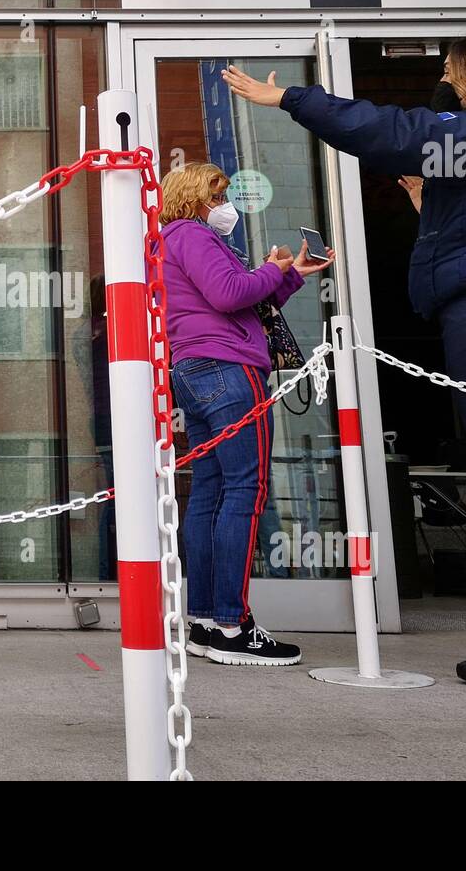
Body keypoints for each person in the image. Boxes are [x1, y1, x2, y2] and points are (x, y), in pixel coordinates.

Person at [223, 31, 466, 690]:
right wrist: (431, 207)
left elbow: (389, 130)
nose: (444, 82)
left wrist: (287, 96)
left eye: (451, 71)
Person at [159, 163, 332, 666]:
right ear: (195, 197)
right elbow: (231, 294)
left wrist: (289, 274)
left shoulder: (173, 239)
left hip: (195, 368)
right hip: (229, 369)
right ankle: (234, 625)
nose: (225, 204)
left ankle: (207, 621)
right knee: (244, 490)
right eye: (219, 194)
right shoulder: (192, 234)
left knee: (211, 492)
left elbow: (234, 300)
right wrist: (271, 270)